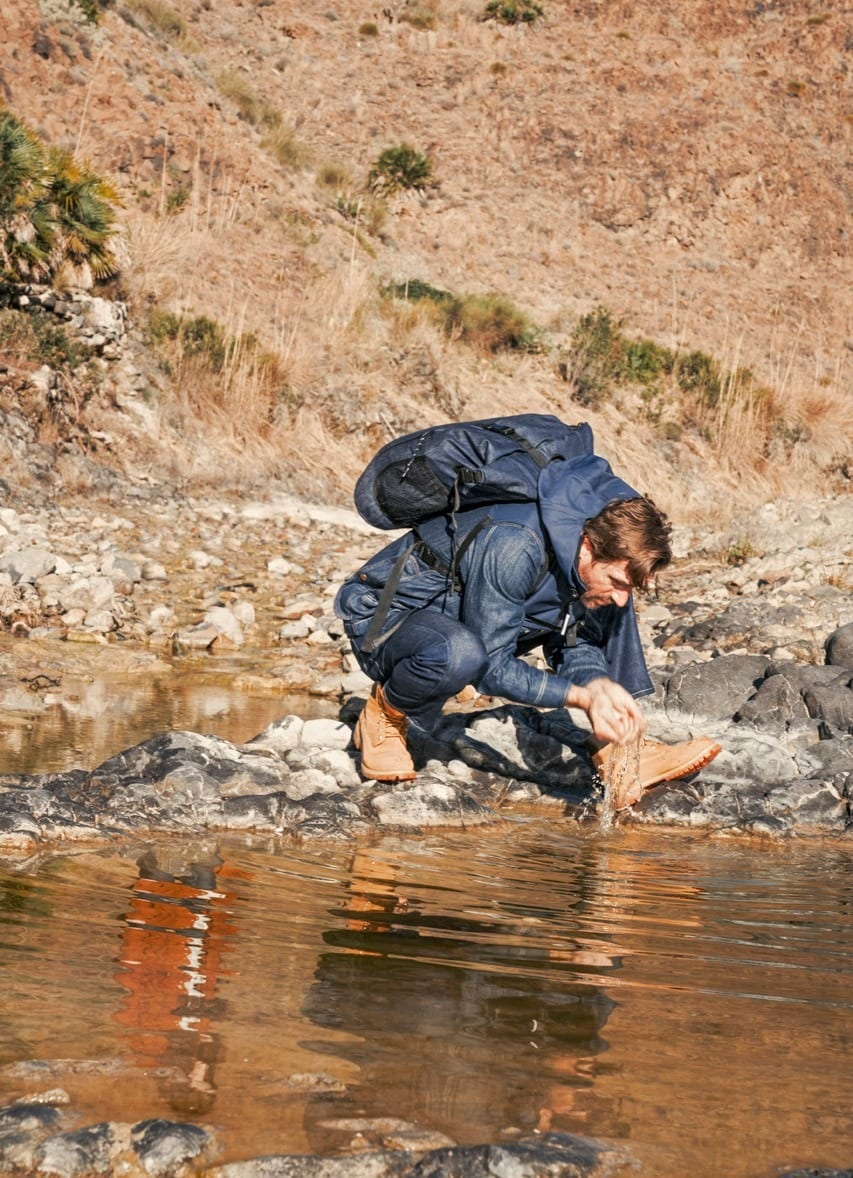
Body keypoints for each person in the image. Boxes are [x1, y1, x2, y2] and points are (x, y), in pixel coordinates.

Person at [335, 435, 720, 808]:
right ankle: (386, 713)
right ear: (588, 547)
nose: (622, 596)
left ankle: (620, 750)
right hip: (388, 616)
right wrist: (581, 697)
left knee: (608, 612)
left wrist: (599, 685)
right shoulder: (515, 545)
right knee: (459, 654)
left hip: (462, 614)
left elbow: (573, 639)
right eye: (617, 580)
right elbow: (492, 667)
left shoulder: (581, 557)